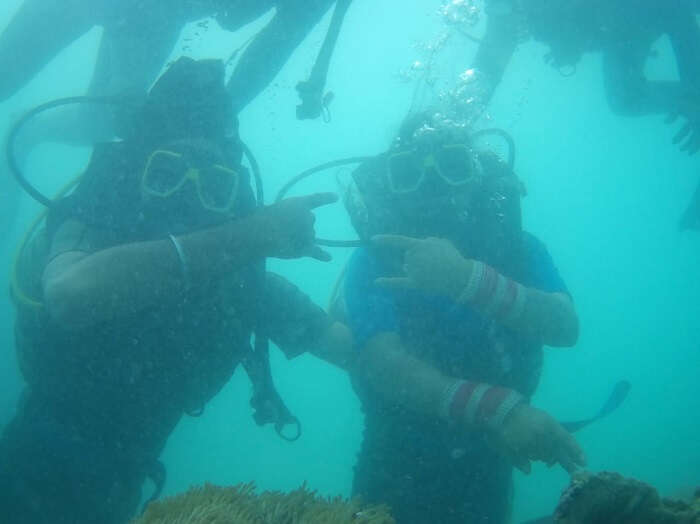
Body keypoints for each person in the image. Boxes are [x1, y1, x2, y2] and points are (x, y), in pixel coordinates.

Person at [0, 57, 354, 524]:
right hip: (26, 472)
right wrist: (251, 235)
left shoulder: (244, 287)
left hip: (124, 487)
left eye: (215, 186)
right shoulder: (85, 228)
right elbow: (70, 294)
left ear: (235, 200)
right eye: (166, 176)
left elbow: (350, 349)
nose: (189, 200)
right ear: (133, 179)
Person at [336, 111, 586, 523]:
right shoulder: (374, 259)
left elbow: (565, 327)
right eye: (407, 173)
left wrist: (466, 279)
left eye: (452, 166)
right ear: (390, 187)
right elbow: (382, 364)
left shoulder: (520, 249)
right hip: (396, 452)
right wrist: (498, 409)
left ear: (476, 175)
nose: (431, 187)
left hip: (490, 451)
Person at [467, 0, 700, 153]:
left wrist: (693, 89)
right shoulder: (507, 11)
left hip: (643, 16)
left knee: (627, 98)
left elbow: (677, 9)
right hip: (620, 30)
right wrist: (459, 125)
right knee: (626, 99)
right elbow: (487, 69)